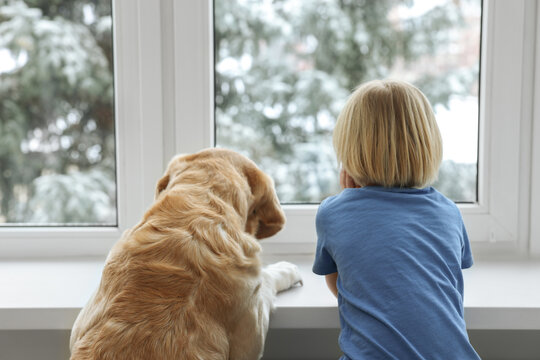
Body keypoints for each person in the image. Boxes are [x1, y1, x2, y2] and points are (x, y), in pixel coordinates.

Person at [313, 79, 480, 359]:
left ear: (349, 153)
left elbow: (342, 283)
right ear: (427, 146)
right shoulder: (448, 212)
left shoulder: (333, 212)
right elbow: (441, 281)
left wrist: (349, 200)